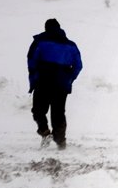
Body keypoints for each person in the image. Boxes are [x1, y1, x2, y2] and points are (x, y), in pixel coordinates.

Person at [27, 18, 83, 150]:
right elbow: (78, 65)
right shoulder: (71, 45)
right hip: (61, 84)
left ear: (46, 28)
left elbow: (31, 61)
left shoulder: (39, 42)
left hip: (43, 82)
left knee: (38, 110)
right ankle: (60, 142)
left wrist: (34, 78)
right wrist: (70, 78)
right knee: (58, 113)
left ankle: (45, 132)